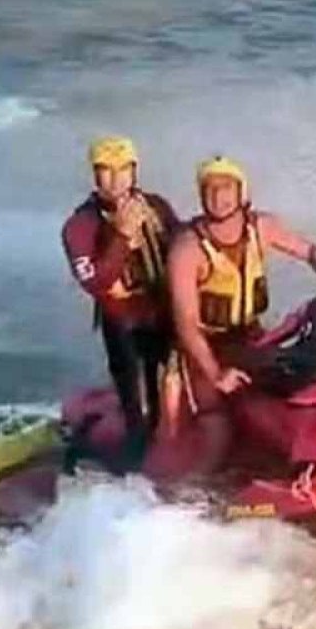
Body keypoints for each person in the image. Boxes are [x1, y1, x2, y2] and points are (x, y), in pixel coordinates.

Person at [165, 157, 316, 474]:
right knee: (218, 430)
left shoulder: (262, 227)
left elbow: (309, 252)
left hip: (249, 337)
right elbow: (186, 325)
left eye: (226, 188)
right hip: (203, 350)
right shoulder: (187, 249)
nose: (218, 196)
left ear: (242, 192)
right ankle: (192, 500)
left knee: (299, 378)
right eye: (210, 189)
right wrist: (216, 374)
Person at [61, 137, 181, 470]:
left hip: (165, 318)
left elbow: (184, 248)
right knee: (141, 411)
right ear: (94, 176)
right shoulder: (80, 226)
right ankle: (130, 472)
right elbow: (95, 282)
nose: (115, 180)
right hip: (125, 326)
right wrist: (124, 237)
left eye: (123, 170)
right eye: (105, 172)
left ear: (134, 171)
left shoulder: (155, 207)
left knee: (176, 403)